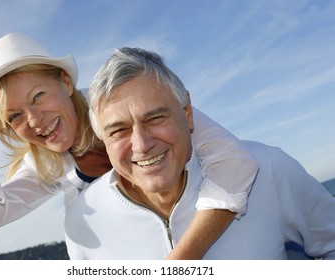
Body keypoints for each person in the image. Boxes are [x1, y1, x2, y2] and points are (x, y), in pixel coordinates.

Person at [0, 33, 258, 259]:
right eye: (14, 116)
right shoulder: (46, 166)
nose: (35, 121)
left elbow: (234, 162)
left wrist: (178, 264)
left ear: (65, 82)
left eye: (38, 96)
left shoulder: (121, 102)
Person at [64, 47, 335, 260]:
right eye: (118, 130)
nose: (141, 144)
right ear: (103, 140)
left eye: (156, 118)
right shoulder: (81, 223)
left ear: (187, 113)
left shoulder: (269, 169)